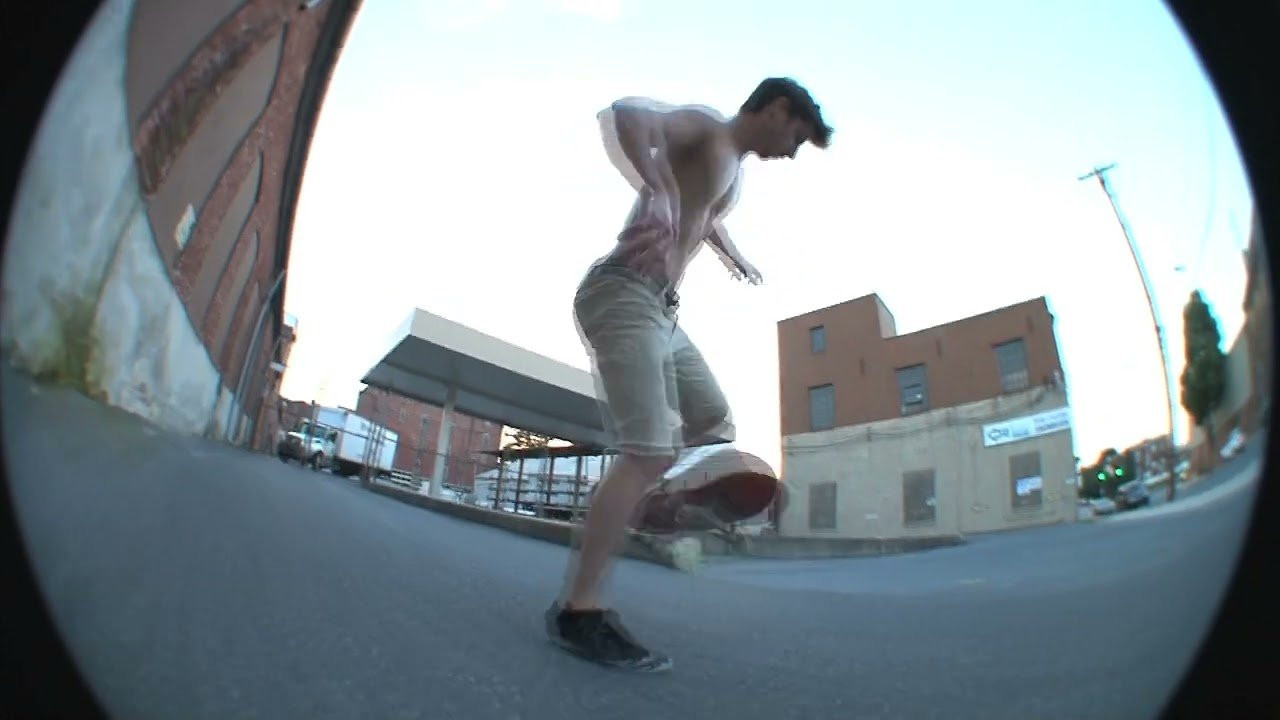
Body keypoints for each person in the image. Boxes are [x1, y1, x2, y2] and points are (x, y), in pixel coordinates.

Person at [546, 77, 833, 672]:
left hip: (662, 314)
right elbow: (626, 114)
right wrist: (654, 187)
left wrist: (731, 254)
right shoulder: (707, 127)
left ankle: (648, 500)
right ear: (778, 110)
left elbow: (702, 213)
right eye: (797, 137)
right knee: (647, 450)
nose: (792, 152)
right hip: (623, 294)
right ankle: (580, 611)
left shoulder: (733, 166)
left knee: (713, 418)